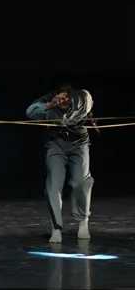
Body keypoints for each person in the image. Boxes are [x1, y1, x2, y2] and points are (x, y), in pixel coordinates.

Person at [25, 84, 96, 242]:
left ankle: (83, 220)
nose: (63, 100)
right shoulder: (48, 100)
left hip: (79, 141)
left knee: (81, 181)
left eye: (67, 96)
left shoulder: (81, 98)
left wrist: (71, 104)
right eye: (60, 96)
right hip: (55, 142)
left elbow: (87, 100)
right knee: (54, 183)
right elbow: (30, 112)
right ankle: (56, 227)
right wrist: (50, 105)